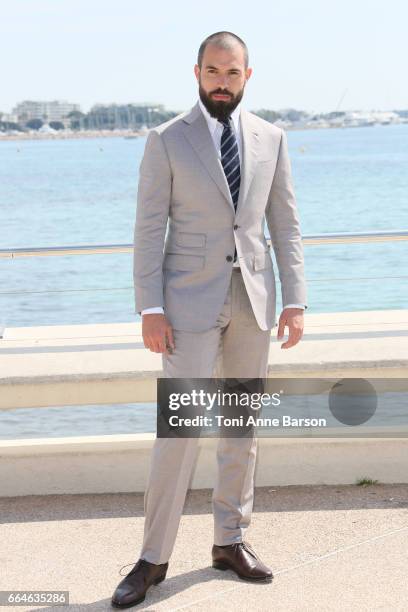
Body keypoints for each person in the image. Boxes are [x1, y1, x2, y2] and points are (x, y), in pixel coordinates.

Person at [111, 30, 307, 609]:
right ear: (196, 72)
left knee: (241, 429)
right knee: (178, 432)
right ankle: (153, 557)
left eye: (232, 72)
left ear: (249, 76)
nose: (222, 82)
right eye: (213, 71)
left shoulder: (272, 137)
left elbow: (285, 224)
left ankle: (230, 540)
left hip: (253, 302)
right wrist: (149, 306)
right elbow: (149, 229)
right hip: (185, 306)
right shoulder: (167, 139)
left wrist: (294, 298)